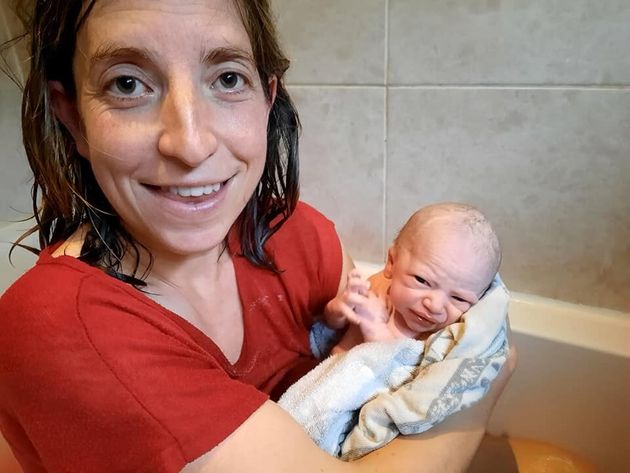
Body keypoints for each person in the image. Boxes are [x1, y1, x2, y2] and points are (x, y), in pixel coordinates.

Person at [0, 1, 515, 472]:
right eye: (128, 84)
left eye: (227, 78)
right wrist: (487, 374)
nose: (191, 143)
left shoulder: (298, 234)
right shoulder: (58, 327)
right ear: (73, 119)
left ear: (267, 98)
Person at [325, 202, 502, 353]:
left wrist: (376, 328)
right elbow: (332, 327)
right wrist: (338, 310)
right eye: (422, 280)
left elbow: (393, 370)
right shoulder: (376, 287)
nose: (435, 306)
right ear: (392, 264)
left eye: (459, 298)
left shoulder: (443, 338)